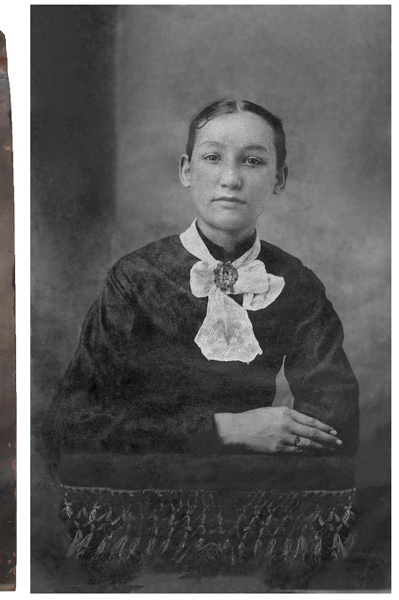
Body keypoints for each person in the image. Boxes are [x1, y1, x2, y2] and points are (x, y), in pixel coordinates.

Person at [44, 99, 359, 458]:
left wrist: (287, 436)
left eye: (252, 161)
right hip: (147, 483)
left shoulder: (295, 282)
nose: (230, 179)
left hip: (255, 484)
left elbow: (336, 412)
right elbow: (72, 422)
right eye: (212, 158)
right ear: (186, 171)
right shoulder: (136, 279)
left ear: (279, 179)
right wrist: (225, 430)